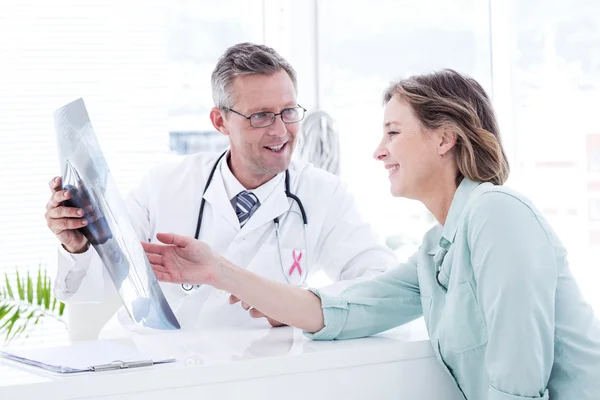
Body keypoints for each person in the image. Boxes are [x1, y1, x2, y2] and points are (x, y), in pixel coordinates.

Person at [143, 69, 600, 399]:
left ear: (444, 139)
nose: (379, 151)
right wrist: (217, 270)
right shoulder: (435, 250)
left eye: (394, 132)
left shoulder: (498, 214)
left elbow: (519, 382)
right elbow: (343, 310)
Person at [45, 42, 396, 333]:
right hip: (152, 362)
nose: (280, 130)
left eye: (288, 111)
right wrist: (77, 247)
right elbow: (93, 288)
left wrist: (298, 306)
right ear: (219, 121)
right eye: (260, 116)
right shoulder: (165, 184)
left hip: (250, 373)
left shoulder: (323, 194)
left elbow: (381, 284)